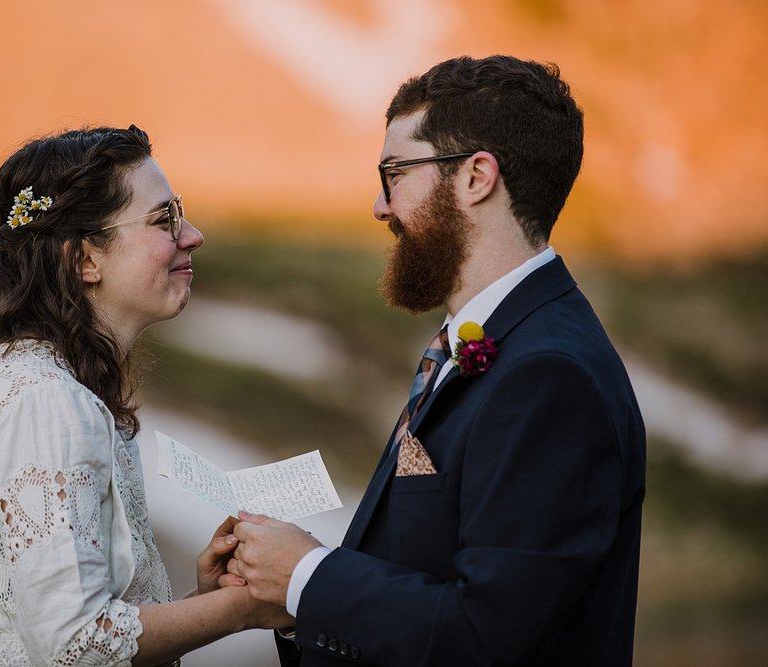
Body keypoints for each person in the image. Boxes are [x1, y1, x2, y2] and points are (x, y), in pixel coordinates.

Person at [224, 56, 647, 666]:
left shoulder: (549, 374)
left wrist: (309, 575)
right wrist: (292, 598)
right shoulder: (497, 340)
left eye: (394, 172)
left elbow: (488, 637)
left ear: (476, 177)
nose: (379, 205)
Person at [0, 125, 290, 666]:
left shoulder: (36, 381)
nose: (193, 235)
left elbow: (82, 630)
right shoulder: (43, 401)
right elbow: (76, 644)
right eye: (164, 219)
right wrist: (248, 607)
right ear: (84, 261)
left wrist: (206, 602)